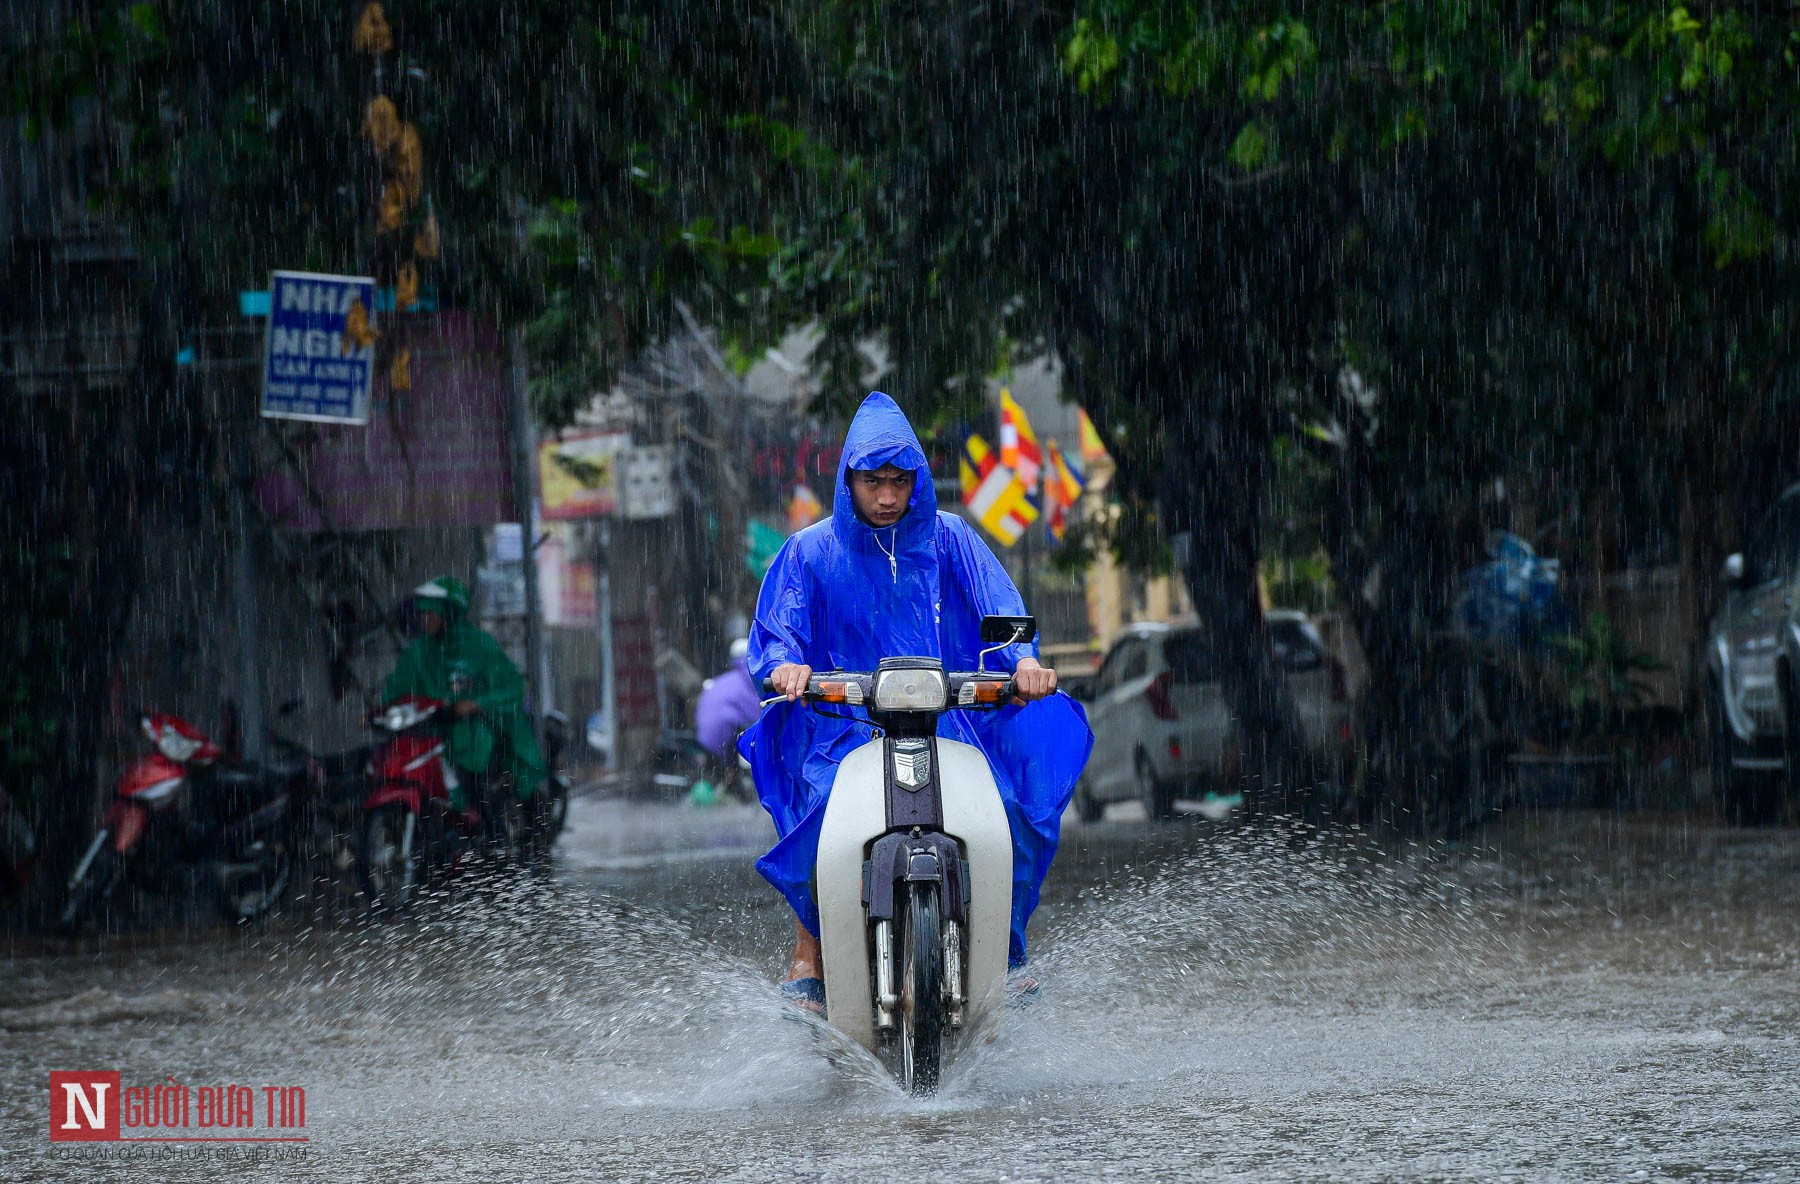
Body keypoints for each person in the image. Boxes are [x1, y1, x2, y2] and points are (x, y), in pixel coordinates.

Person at [739, 392, 1093, 1011]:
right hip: (841, 722)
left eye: (900, 481)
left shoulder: (952, 538)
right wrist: (786, 667)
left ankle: (1006, 952)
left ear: (917, 481)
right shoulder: (809, 551)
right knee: (817, 813)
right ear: (848, 478)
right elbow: (780, 632)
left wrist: (1026, 662)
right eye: (873, 481)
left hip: (946, 717)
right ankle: (810, 952)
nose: (887, 496)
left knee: (1004, 809)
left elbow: (999, 612)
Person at [384, 576, 545, 812]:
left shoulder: (479, 646)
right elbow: (397, 686)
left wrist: (476, 703)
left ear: (448, 613)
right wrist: (378, 711)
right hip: (432, 734)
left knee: (476, 780)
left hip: (477, 732)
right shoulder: (419, 651)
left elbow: (511, 685)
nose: (424, 619)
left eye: (431, 613)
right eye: (423, 613)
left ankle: (492, 835)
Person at [692, 638, 761, 801]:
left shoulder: (724, 680)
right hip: (724, 734)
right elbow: (757, 714)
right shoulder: (751, 680)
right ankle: (736, 787)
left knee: (719, 768)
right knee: (734, 764)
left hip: (704, 735)